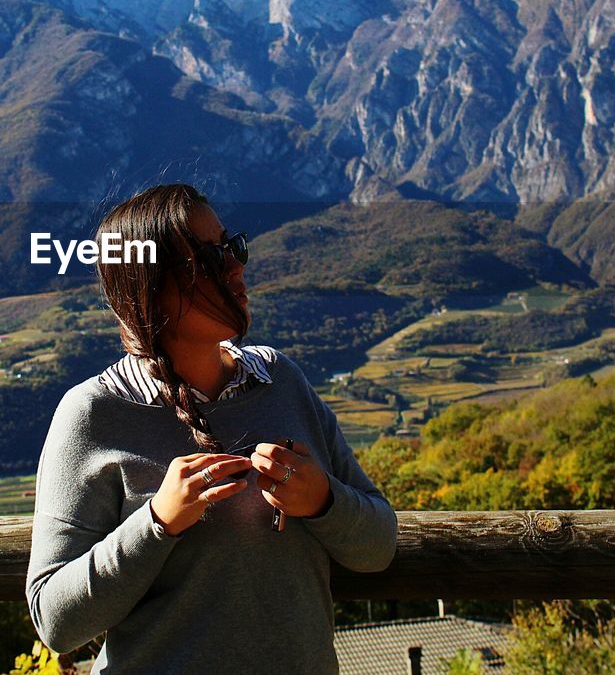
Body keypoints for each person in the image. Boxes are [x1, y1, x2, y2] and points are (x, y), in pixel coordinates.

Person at [25, 183, 398, 673]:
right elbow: (54, 620)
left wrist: (323, 500)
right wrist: (157, 522)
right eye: (210, 257)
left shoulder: (281, 382)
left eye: (233, 246)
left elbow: (379, 544)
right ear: (150, 286)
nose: (237, 265)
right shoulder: (93, 414)